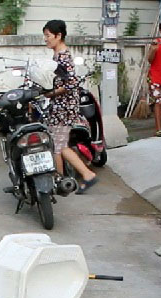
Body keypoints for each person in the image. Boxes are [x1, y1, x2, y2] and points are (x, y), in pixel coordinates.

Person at [42, 20, 98, 195]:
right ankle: (64, 178)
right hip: (61, 105)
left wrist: (51, 94)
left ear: (58, 36)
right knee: (58, 145)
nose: (46, 39)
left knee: (59, 146)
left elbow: (72, 84)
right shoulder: (57, 55)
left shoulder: (63, 57)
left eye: (48, 36)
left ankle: (76, 177)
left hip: (63, 107)